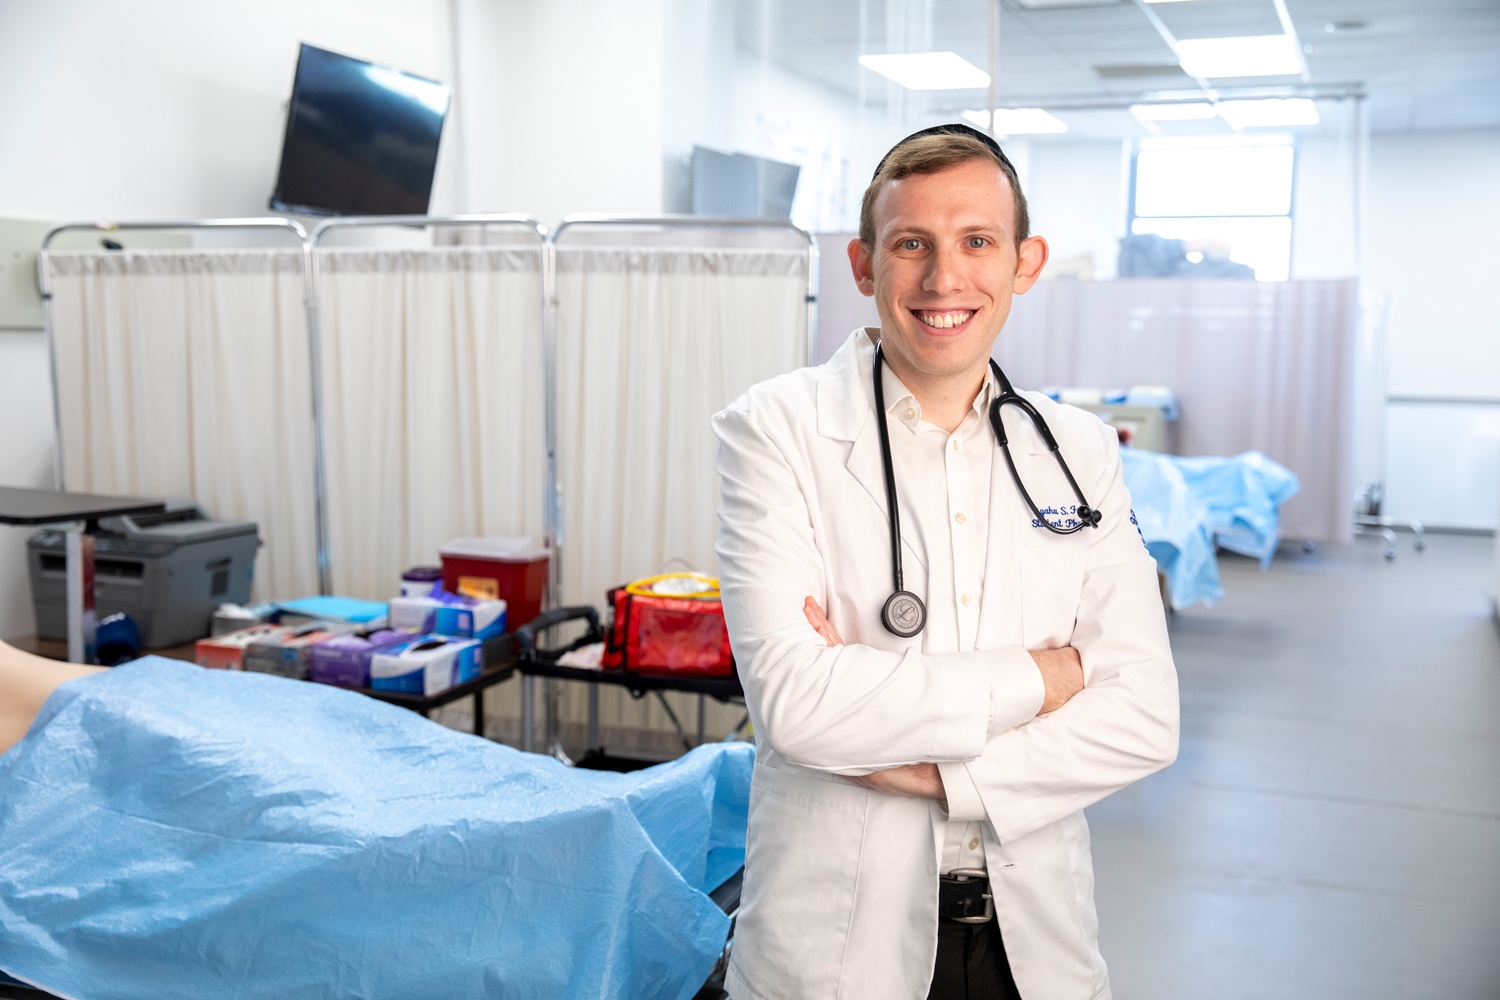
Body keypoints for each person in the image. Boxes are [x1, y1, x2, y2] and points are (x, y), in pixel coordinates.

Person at [712, 124, 1179, 1000]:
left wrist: (938, 773)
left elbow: (1146, 715)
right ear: (863, 264)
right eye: (911, 244)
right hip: (834, 951)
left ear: (1024, 262)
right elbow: (798, 706)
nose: (943, 279)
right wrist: (1046, 678)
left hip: (1031, 944)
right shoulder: (775, 430)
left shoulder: (1077, 450)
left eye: (977, 242)